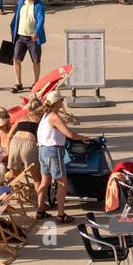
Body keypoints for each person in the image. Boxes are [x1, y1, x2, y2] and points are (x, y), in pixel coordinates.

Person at [36, 92, 88, 223]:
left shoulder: (45, 115)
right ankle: (61, 214)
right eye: (61, 100)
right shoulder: (53, 116)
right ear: (56, 102)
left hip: (42, 150)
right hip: (53, 151)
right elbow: (69, 134)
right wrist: (83, 138)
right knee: (62, 183)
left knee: (45, 182)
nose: (63, 101)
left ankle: (40, 210)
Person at [9, 0, 46, 93]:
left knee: (36, 61)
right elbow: (16, 16)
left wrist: (37, 32)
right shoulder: (22, 1)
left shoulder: (39, 4)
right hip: (20, 36)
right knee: (16, 59)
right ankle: (18, 83)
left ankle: (36, 83)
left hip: (33, 38)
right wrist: (12, 27)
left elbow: (41, 20)